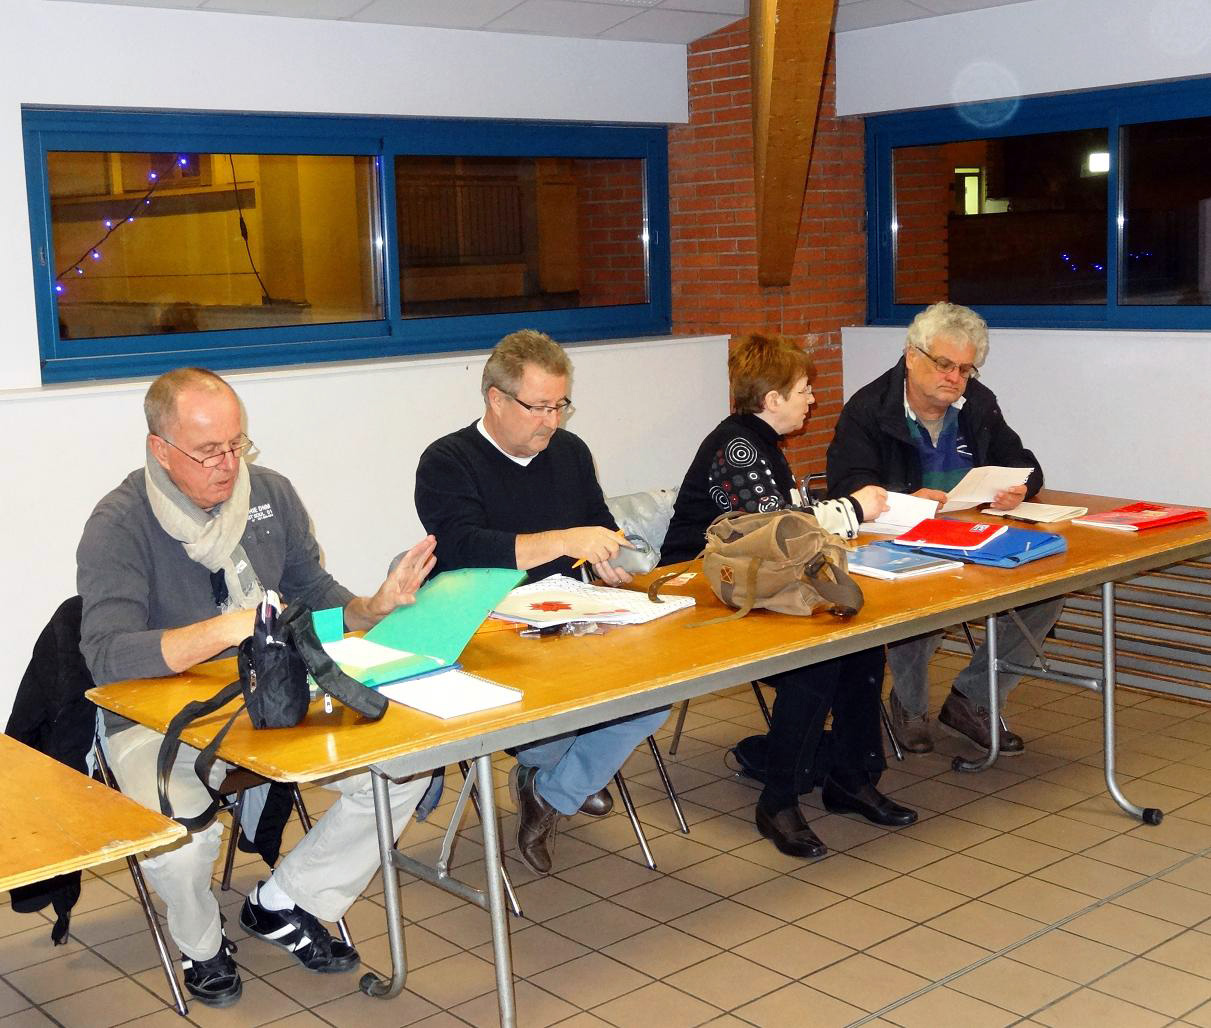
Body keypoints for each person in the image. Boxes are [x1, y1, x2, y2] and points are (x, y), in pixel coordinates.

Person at [78, 367, 438, 1009]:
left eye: (237, 444)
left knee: (403, 769)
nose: (228, 464)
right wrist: (221, 630)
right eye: (208, 450)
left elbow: (315, 602)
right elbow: (107, 656)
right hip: (156, 720)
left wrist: (372, 606)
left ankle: (283, 901)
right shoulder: (119, 522)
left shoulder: (270, 493)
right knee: (183, 838)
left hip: (269, 694)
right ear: (160, 449)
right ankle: (201, 944)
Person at [414, 330, 667, 875]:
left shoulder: (570, 452)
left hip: (574, 616)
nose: (552, 422)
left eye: (560, 406)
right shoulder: (447, 461)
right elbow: (463, 546)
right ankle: (557, 770)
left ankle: (551, 791)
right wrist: (564, 540)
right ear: (496, 399)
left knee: (657, 691)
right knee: (556, 710)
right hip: (488, 631)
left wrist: (610, 556)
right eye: (539, 407)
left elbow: (596, 523)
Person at [661, 333, 918, 860]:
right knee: (815, 662)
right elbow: (775, 531)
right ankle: (777, 800)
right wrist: (852, 509)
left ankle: (850, 778)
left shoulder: (760, 445)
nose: (813, 400)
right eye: (803, 389)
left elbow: (785, 529)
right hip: (700, 589)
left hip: (748, 584)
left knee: (862, 643)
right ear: (771, 398)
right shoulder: (737, 445)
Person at [827, 301, 1064, 755]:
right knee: (929, 595)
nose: (955, 378)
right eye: (944, 364)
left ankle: (973, 698)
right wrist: (904, 502)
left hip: (973, 537)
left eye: (965, 369)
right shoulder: (868, 409)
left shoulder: (977, 403)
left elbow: (1026, 465)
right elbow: (848, 487)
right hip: (900, 542)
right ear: (911, 355)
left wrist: (1019, 486)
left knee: (1047, 589)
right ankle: (910, 706)